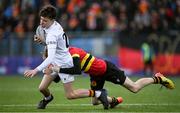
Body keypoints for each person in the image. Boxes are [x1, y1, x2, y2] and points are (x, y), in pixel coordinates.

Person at [24, 5, 109, 110]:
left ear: (52, 20)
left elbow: (50, 56)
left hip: (64, 63)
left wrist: (35, 70)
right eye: (41, 19)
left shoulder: (52, 34)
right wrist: (43, 41)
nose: (41, 23)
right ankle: (48, 98)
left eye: (44, 21)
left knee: (70, 95)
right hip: (55, 61)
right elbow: (55, 45)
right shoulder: (54, 25)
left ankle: (98, 93)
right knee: (42, 88)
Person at [46, 46, 175, 103]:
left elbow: (76, 71)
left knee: (134, 88)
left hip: (107, 69)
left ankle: (157, 78)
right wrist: (52, 72)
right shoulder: (64, 56)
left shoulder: (72, 51)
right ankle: (113, 101)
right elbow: (60, 77)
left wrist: (57, 69)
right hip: (96, 75)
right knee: (95, 102)